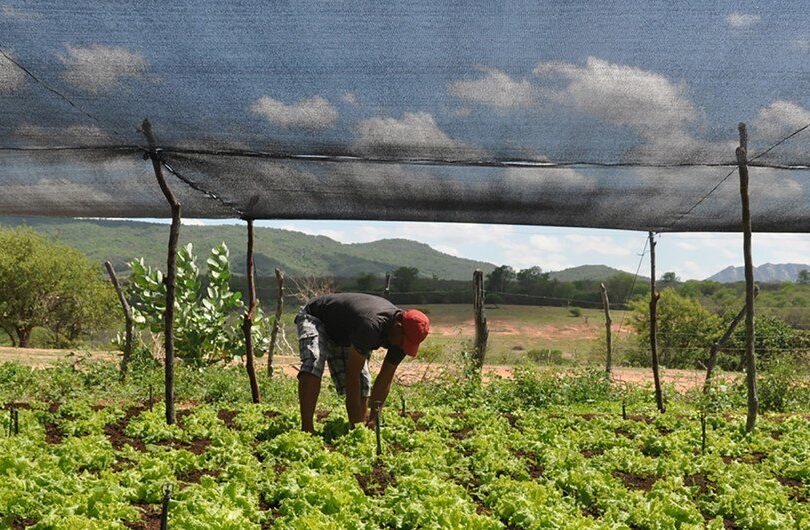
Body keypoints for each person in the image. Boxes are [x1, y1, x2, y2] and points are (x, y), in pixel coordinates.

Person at [295, 292, 430, 432]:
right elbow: (351, 374)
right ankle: (307, 429)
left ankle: (360, 425)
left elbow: (385, 378)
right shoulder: (371, 325)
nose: (403, 347)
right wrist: (356, 424)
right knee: (314, 362)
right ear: (398, 326)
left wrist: (374, 418)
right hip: (317, 316)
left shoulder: (403, 340)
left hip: (345, 332)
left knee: (364, 381)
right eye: (404, 342)